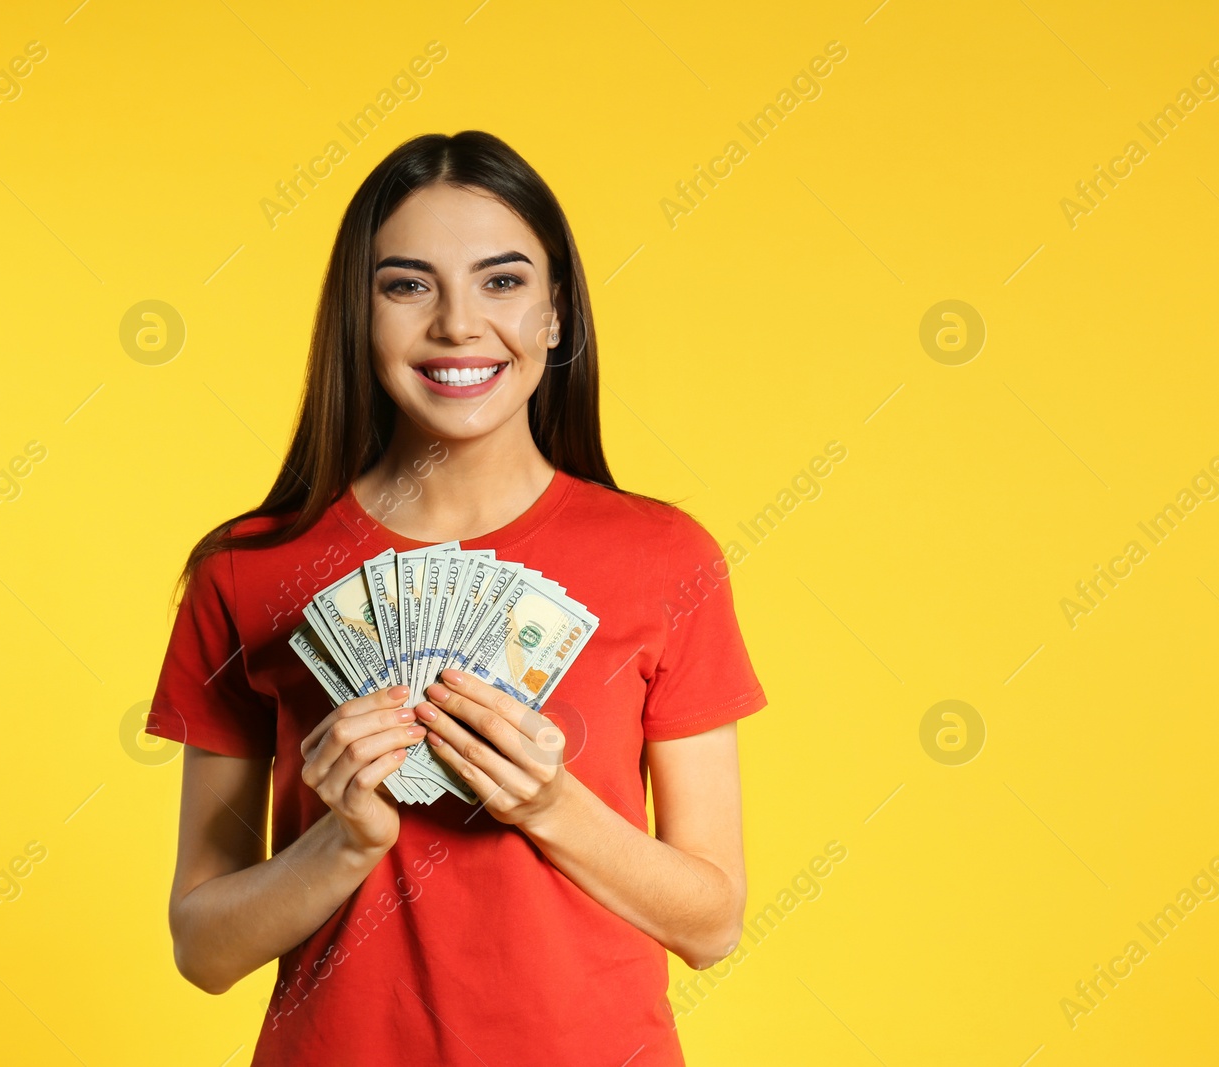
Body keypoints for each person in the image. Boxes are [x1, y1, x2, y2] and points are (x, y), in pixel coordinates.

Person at [145, 130, 766, 1066]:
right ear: (360, 317)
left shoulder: (666, 557)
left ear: (557, 316)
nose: (459, 325)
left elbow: (711, 924)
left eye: (503, 281)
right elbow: (203, 946)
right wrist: (342, 843)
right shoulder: (248, 570)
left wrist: (549, 802)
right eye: (408, 285)